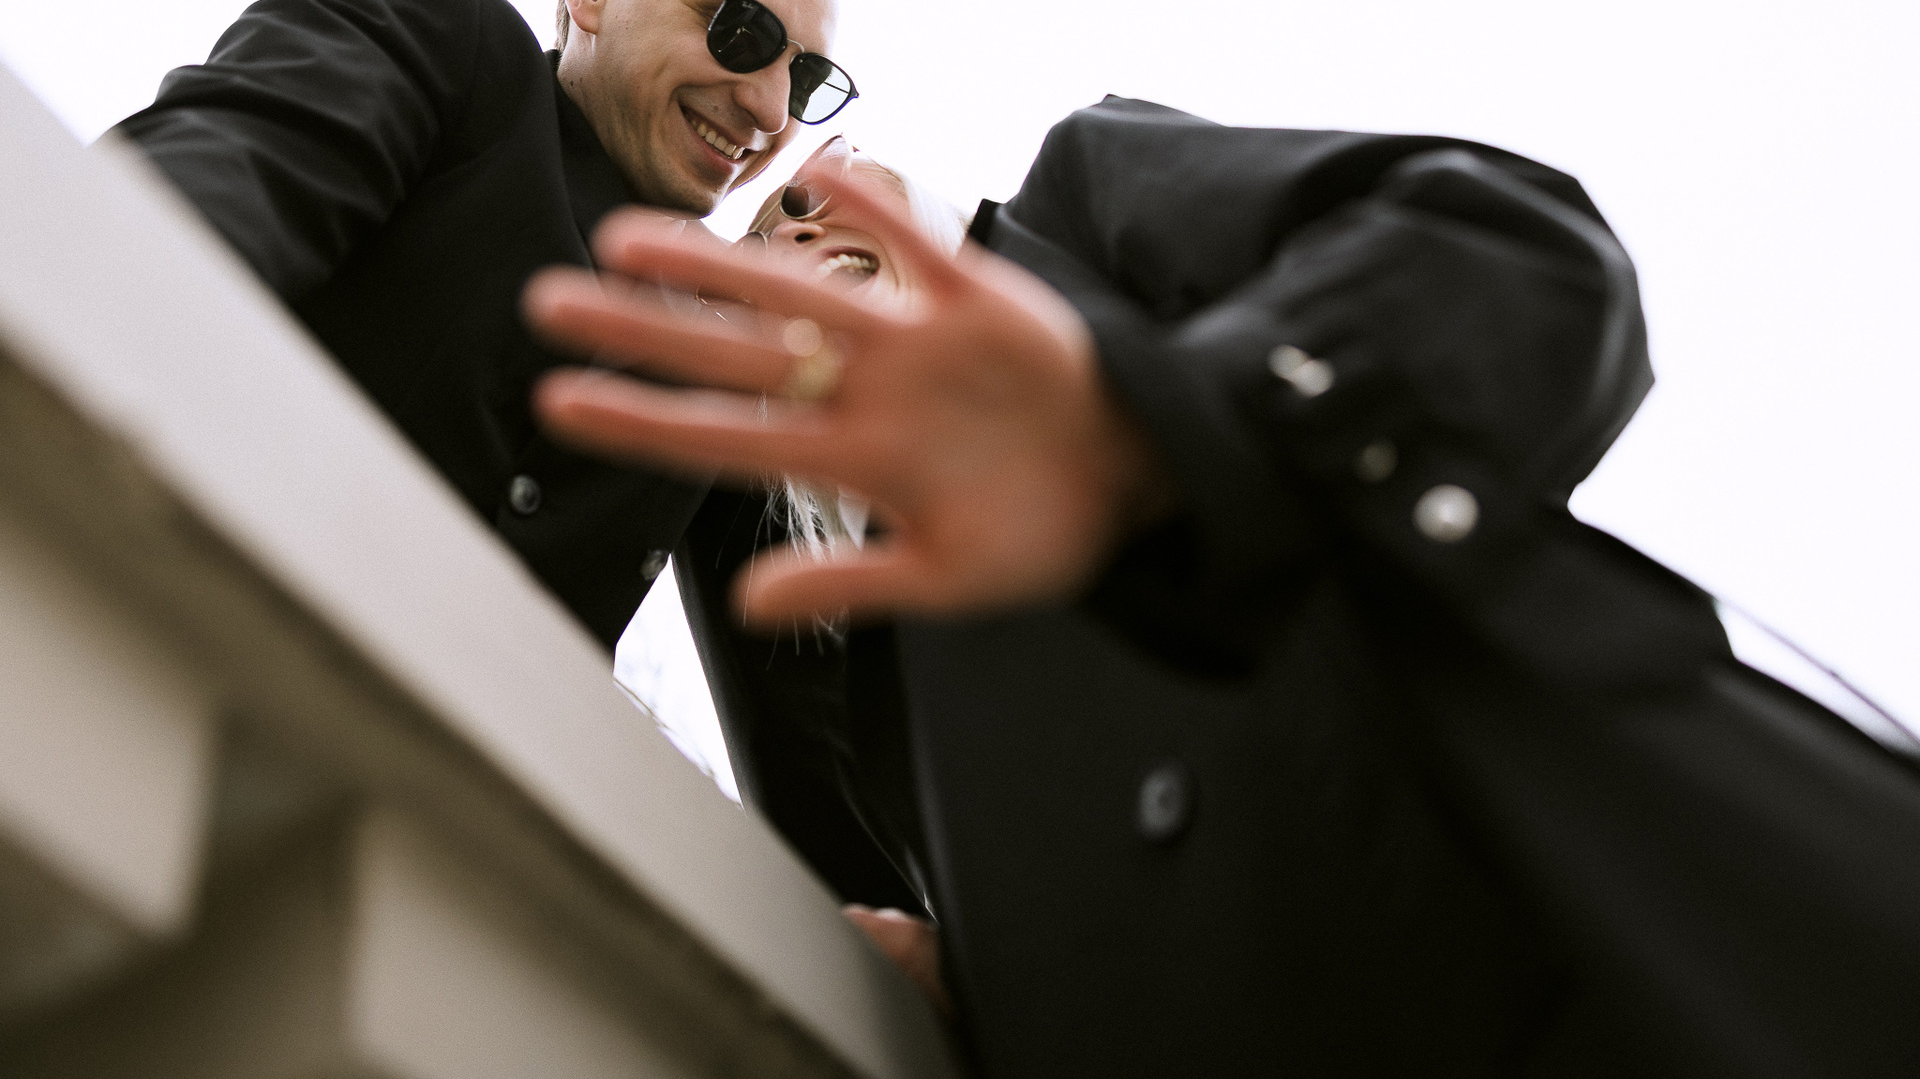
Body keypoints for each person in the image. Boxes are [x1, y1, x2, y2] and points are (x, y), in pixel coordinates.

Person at [525, 96, 1920, 1077]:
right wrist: (982, 999)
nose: (792, 226)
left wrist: (1161, 426)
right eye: (754, 257)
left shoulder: (1078, 221)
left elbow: (1519, 257)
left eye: (818, 191)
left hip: (1649, 957)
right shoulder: (869, 680)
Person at [109, 0, 862, 647]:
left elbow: (821, 684)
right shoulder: (441, 33)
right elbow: (158, 228)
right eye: (741, 31)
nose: (770, 110)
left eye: (805, 79)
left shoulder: (727, 358)